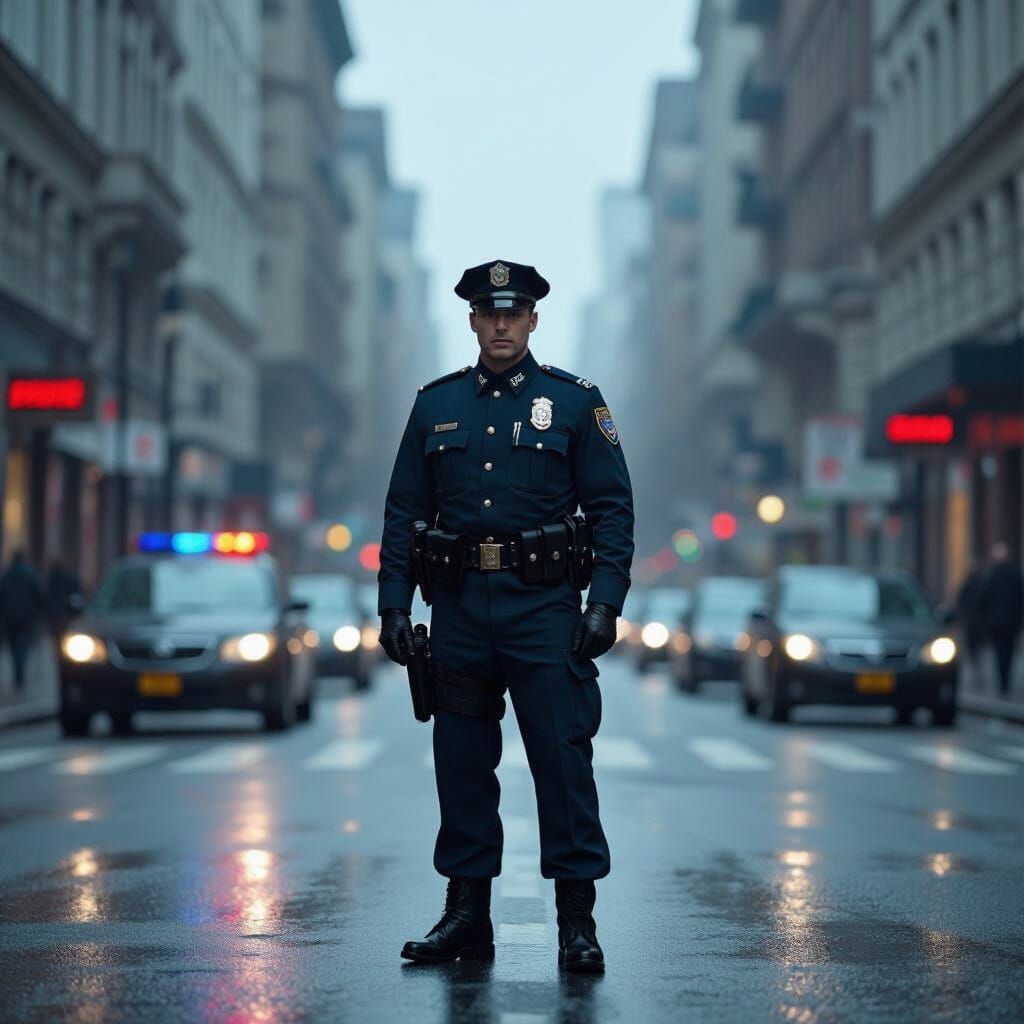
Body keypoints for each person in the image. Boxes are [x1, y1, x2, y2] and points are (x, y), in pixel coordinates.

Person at [378, 260, 634, 973]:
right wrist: (394, 604)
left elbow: (613, 510)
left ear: (531, 320)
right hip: (458, 609)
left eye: (513, 313)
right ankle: (466, 916)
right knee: (461, 764)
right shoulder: (435, 406)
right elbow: (404, 513)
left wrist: (605, 601)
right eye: (489, 314)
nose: (500, 325)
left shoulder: (576, 403)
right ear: (471, 321)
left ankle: (576, 924)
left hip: (544, 610)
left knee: (561, 758)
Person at [977, 541, 1023, 697]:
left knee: (999, 652)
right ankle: (1006, 681)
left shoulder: (991, 574)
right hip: (1011, 622)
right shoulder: (1015, 573)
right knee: (1008, 651)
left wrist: (984, 620)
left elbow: (982, 599)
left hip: (996, 622)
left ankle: (1003, 683)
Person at [0, 550, 44, 693]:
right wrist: (38, 613)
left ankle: (18, 672)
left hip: (10, 617)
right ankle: (20, 671)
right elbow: (38, 596)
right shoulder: (30, 575)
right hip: (26, 617)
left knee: (14, 647)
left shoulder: (7, 575)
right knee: (22, 645)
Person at [44, 557, 83, 641]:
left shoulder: (51, 580)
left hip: (54, 613)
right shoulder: (67, 578)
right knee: (62, 634)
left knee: (57, 636)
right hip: (63, 612)